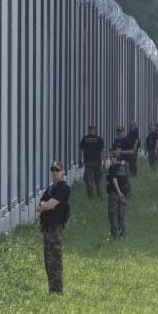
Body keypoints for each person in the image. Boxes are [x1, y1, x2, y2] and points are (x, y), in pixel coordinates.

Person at [36, 162, 71, 294]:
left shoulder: (64, 188)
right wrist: (44, 205)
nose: (55, 172)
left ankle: (57, 291)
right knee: (48, 261)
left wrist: (45, 205)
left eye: (58, 170)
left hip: (55, 229)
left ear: (62, 172)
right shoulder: (50, 188)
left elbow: (50, 205)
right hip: (47, 228)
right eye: (53, 170)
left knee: (55, 261)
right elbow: (39, 206)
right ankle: (52, 289)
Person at [106, 144, 129, 238]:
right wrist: (123, 194)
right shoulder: (123, 168)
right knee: (121, 215)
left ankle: (114, 235)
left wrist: (118, 193)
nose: (110, 159)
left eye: (112, 157)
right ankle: (122, 234)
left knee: (113, 214)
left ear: (116, 158)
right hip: (123, 194)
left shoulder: (113, 167)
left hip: (114, 194)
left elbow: (114, 180)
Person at [78, 125, 106, 200]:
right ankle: (100, 196)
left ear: (88, 130)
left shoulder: (84, 139)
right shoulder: (99, 139)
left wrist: (80, 161)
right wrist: (104, 162)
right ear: (95, 130)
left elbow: (80, 151)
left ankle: (91, 197)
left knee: (89, 180)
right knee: (98, 180)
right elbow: (103, 151)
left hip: (88, 162)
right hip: (97, 162)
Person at [111, 127, 132, 197]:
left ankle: (127, 193)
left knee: (125, 178)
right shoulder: (116, 140)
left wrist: (121, 151)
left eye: (121, 131)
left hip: (124, 161)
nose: (120, 133)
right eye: (118, 131)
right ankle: (118, 192)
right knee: (117, 178)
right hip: (116, 162)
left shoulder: (127, 140)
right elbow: (112, 151)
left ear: (124, 132)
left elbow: (131, 151)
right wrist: (113, 157)